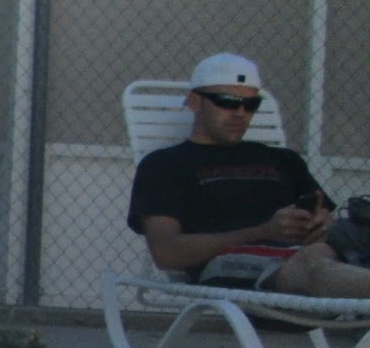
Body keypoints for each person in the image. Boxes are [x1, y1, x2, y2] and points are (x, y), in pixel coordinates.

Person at [128, 52, 370, 298]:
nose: (240, 112)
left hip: (316, 257)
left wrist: (321, 224)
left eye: (251, 104)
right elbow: (167, 253)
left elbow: (323, 214)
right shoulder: (164, 165)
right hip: (232, 266)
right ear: (194, 102)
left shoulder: (284, 160)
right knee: (314, 266)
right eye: (227, 101)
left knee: (323, 255)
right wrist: (263, 231)